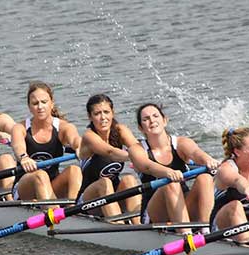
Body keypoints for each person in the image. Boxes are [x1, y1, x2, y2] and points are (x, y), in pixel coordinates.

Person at [128, 102, 217, 233]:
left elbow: (196, 153)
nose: (152, 120)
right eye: (146, 119)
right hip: (156, 213)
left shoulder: (181, 143)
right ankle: (186, 235)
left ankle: (206, 231)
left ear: (165, 121)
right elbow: (147, 166)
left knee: (205, 178)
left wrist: (208, 160)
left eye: (155, 116)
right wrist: (167, 172)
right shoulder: (136, 149)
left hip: (182, 206)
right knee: (171, 184)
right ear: (141, 128)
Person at [11, 81, 82, 202]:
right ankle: (55, 214)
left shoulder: (63, 127)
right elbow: (18, 146)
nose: (40, 107)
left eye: (44, 102)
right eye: (35, 103)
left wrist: (79, 147)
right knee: (40, 175)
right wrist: (24, 157)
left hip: (51, 184)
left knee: (74, 170)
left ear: (51, 104)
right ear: (29, 107)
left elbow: (75, 139)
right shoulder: (20, 128)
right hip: (25, 188)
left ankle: (72, 211)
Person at [77, 94, 141, 222]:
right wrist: (134, 157)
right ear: (90, 117)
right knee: (104, 182)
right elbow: (110, 152)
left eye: (106, 112)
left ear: (113, 113)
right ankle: (119, 226)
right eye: (97, 113)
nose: (103, 117)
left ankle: (139, 225)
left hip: (112, 194)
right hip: (88, 200)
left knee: (129, 179)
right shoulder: (89, 137)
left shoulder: (120, 130)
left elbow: (137, 147)